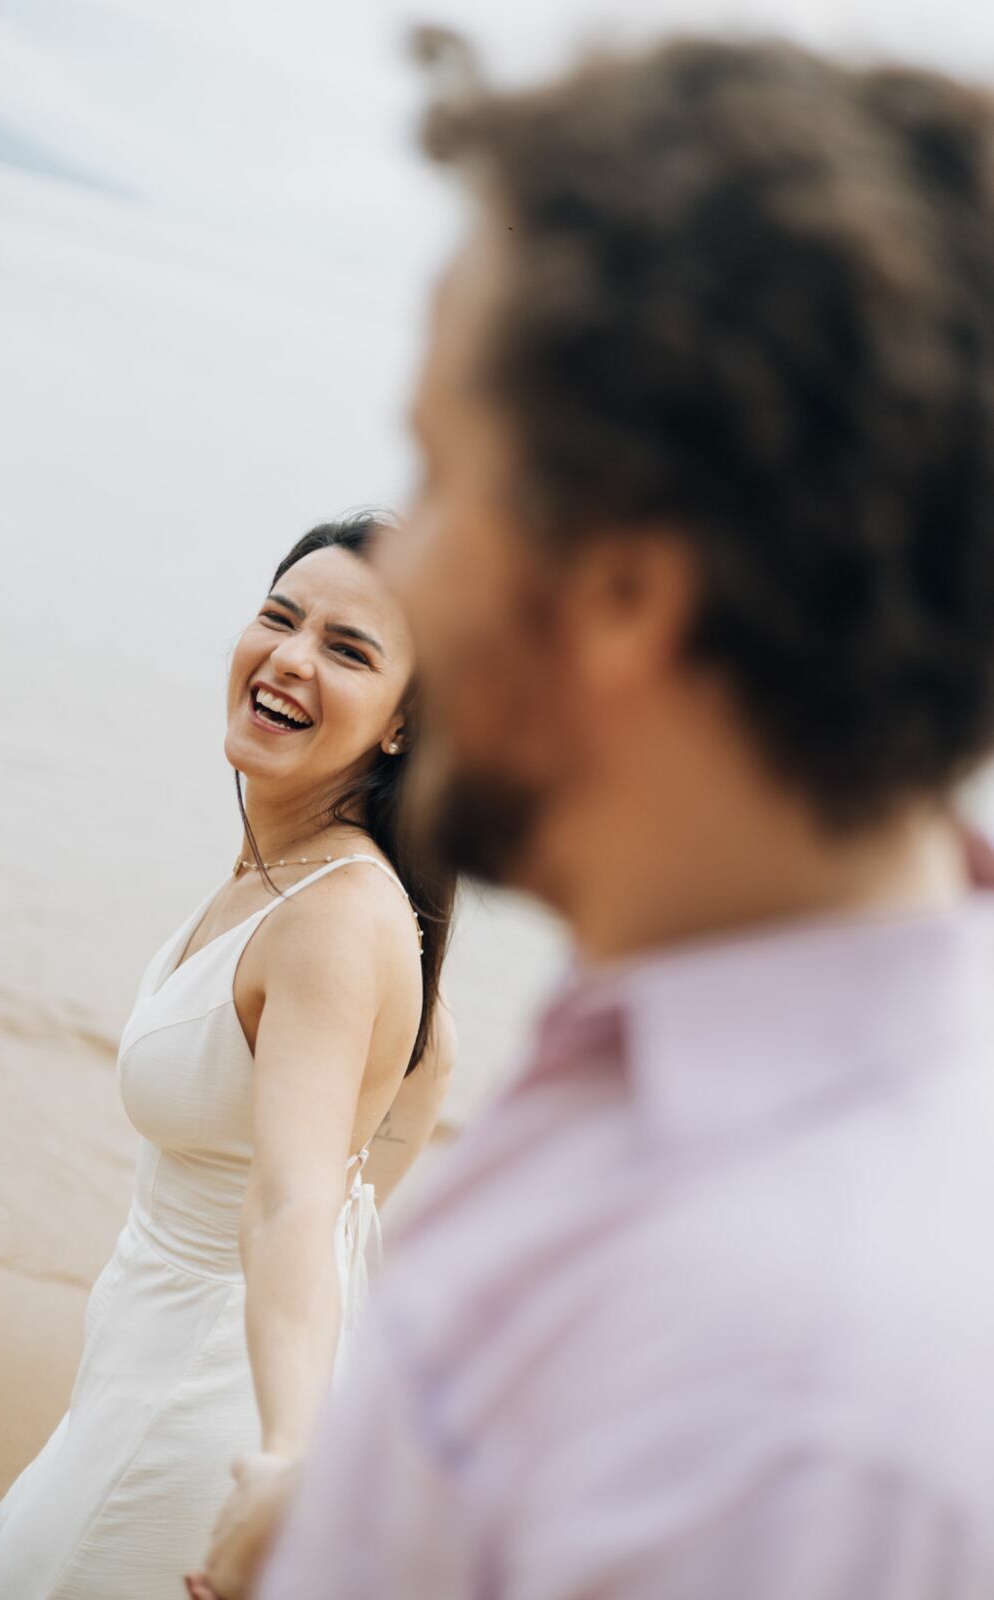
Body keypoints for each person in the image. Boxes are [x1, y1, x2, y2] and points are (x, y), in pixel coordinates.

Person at [255, 35, 994, 1600]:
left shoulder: (774, 1439)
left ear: (620, 591)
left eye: (437, 474)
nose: (406, 561)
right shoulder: (694, 1046)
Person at [0, 512, 456, 1600]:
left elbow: (292, 1198)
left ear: (403, 725)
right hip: (157, 1359)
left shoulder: (332, 918)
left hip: (201, 1408)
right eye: (280, 617)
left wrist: (287, 1454)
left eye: (348, 649)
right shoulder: (317, 880)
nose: (291, 657)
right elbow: (426, 1071)